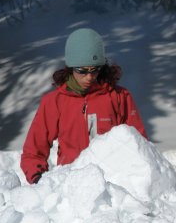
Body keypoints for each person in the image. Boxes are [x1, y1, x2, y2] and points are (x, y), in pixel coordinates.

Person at [20, 27, 147, 184]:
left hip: (113, 185)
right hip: (70, 184)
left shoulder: (119, 97)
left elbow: (140, 145)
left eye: (95, 70)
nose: (89, 77)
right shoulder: (54, 101)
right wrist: (38, 179)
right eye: (82, 71)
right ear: (71, 68)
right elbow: (34, 149)